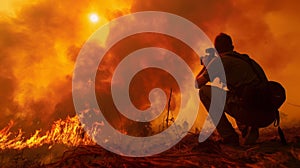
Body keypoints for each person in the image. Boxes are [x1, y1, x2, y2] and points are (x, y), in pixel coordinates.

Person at [196, 33, 272, 145]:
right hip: (269, 115)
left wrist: (207, 65)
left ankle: (229, 136)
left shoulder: (220, 62)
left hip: (251, 112)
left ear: (216, 50)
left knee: (204, 92)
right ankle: (248, 129)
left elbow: (197, 84)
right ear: (232, 47)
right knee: (236, 93)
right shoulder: (247, 60)